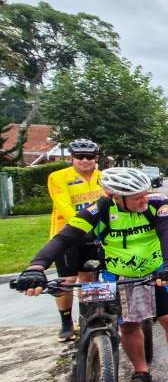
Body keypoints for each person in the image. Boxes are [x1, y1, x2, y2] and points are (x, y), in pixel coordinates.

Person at [15, 167, 168, 382]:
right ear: (115, 196)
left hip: (154, 272)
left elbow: (166, 234)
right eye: (137, 197)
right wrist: (36, 266)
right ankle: (141, 372)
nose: (144, 199)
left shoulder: (157, 203)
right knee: (129, 326)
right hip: (117, 274)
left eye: (145, 192)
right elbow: (64, 237)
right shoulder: (100, 210)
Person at [45, 138, 103, 342]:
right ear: (71, 158)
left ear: (96, 158)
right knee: (67, 281)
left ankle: (87, 317)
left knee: (89, 278)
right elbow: (65, 206)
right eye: (79, 157)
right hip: (67, 235)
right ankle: (66, 321)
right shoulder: (58, 177)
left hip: (92, 235)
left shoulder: (101, 177)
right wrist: (83, 227)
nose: (85, 160)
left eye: (89, 157)